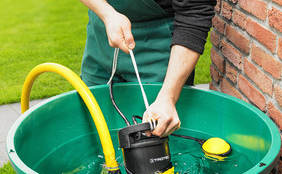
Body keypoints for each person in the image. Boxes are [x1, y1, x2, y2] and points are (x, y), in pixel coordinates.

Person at [79, 0, 216, 137]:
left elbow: (194, 12)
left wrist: (168, 97)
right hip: (101, 35)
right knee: (94, 126)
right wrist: (107, 14)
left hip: (158, 44)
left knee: (158, 132)